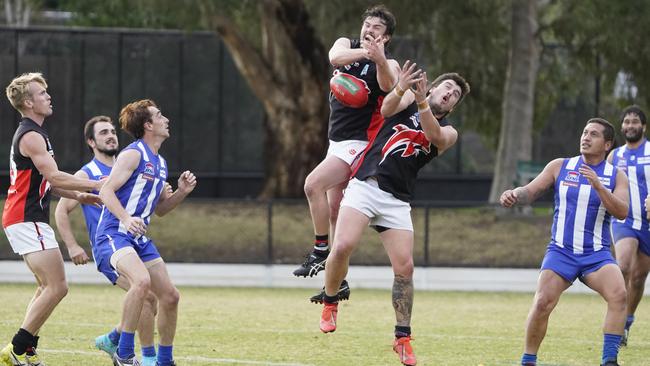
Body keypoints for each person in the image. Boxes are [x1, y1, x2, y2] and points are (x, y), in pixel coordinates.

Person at [319, 61, 470, 366]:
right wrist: (403, 86)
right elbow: (386, 109)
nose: (450, 94)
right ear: (432, 85)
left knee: (405, 269)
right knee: (343, 246)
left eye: (455, 95)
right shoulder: (408, 100)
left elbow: (434, 137)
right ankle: (330, 300)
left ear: (452, 107)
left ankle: (402, 338)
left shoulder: (449, 131)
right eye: (447, 87)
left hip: (396, 200)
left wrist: (424, 100)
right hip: (365, 183)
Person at [500, 118, 629, 366]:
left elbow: (622, 211)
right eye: (584, 132)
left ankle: (609, 360)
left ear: (607, 144)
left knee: (619, 295)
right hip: (561, 252)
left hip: (597, 255)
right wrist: (514, 194)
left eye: (593, 134)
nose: (586, 137)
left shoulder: (616, 176)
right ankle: (528, 360)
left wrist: (598, 186)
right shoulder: (561, 166)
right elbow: (531, 191)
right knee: (542, 303)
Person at [296, 4, 400, 303]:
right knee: (334, 212)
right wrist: (366, 51)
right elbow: (334, 57)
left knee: (312, 184)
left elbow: (389, 86)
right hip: (336, 141)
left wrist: (378, 58)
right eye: (368, 25)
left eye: (377, 28)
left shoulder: (388, 63)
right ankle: (338, 282)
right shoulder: (347, 45)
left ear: (387, 37)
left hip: (360, 143)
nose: (370, 30)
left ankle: (319, 251)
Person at [0, 72, 103, 366]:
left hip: (23, 218)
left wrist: (81, 196)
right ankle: (16, 349)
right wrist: (95, 184)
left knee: (46, 287)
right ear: (29, 102)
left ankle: (26, 351)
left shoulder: (35, 132)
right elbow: (55, 175)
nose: (48, 96)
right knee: (58, 287)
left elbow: (47, 182)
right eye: (42, 93)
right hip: (26, 217)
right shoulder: (31, 135)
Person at [95, 99, 196, 366]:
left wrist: (182, 193)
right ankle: (124, 354)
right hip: (113, 233)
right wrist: (126, 218)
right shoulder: (133, 154)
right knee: (141, 283)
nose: (166, 119)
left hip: (138, 239)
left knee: (171, 297)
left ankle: (165, 361)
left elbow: (160, 210)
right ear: (148, 125)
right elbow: (105, 191)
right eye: (160, 116)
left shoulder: (160, 162)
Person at [54, 116, 160, 366]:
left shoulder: (125, 167)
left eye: (112, 131)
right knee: (145, 295)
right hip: (108, 246)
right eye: (103, 133)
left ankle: (115, 339)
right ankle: (141, 357)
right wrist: (72, 246)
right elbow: (60, 211)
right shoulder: (87, 173)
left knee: (150, 299)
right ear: (91, 141)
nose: (111, 135)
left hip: (128, 242)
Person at [607, 105, 650, 347]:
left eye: (635, 122)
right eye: (626, 122)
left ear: (643, 126)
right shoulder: (615, 155)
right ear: (622, 127)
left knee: (639, 277)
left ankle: (628, 320)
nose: (630, 126)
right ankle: (617, 321)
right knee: (622, 265)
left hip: (649, 223)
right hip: (624, 220)